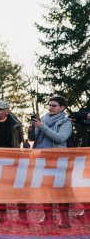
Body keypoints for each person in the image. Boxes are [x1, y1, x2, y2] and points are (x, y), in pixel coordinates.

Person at [28, 96, 72, 228]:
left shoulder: (66, 122)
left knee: (60, 190)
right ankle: (47, 217)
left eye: (54, 105)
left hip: (58, 160)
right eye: (49, 105)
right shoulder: (43, 119)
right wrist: (31, 130)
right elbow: (35, 138)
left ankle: (64, 220)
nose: (50, 107)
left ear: (62, 108)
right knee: (45, 189)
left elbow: (60, 138)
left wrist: (42, 126)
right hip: (42, 158)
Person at [0, 100, 27, 224]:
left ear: (7, 111)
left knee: (19, 189)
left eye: (0, 109)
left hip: (13, 159)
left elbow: (19, 140)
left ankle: (23, 218)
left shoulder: (16, 123)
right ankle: (3, 217)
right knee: (0, 189)